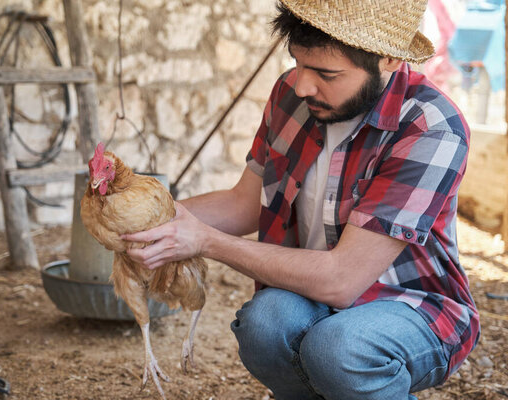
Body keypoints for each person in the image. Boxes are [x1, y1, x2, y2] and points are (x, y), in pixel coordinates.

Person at [122, 0, 480, 398]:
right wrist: (142, 223)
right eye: (298, 62)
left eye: (326, 73)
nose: (302, 85)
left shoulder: (431, 128)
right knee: (263, 324)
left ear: (388, 60)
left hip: (414, 306)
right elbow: (245, 203)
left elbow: (342, 280)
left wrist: (204, 240)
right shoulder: (291, 95)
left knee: (338, 348)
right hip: (313, 293)